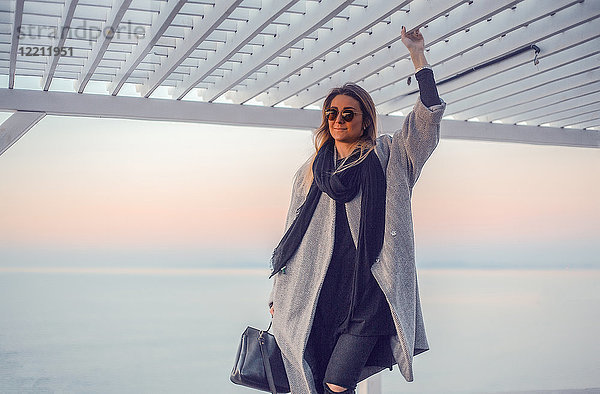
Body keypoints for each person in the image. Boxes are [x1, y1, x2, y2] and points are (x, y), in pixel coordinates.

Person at [267, 27, 445, 394]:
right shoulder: (310, 171)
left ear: (365, 119)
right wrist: (276, 294)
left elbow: (426, 121)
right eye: (332, 112)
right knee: (314, 380)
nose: (339, 118)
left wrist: (418, 57)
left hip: (368, 294)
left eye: (349, 113)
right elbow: (292, 235)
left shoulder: (390, 157)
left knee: (336, 382)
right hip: (319, 290)